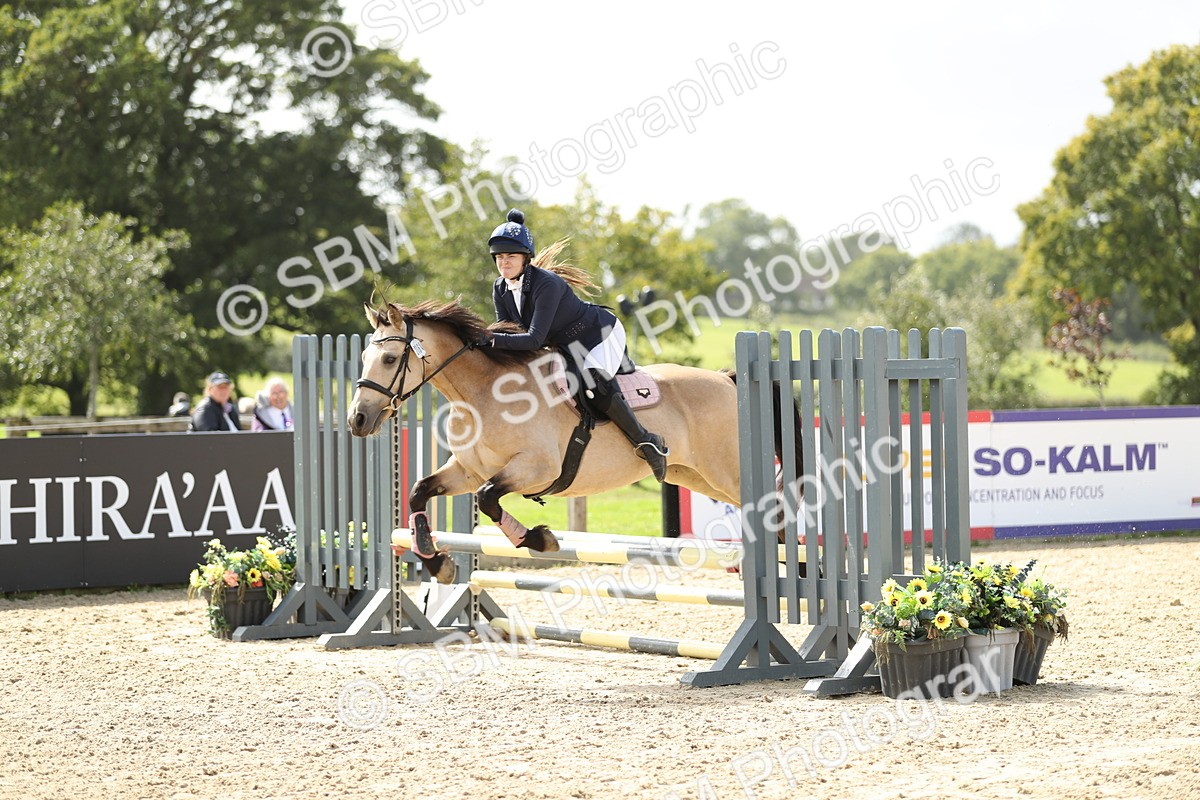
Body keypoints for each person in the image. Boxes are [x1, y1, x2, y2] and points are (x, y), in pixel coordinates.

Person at [478, 209, 669, 481]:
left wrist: (489, 338)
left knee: (594, 382)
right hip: (565, 345)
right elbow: (509, 334)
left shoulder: (547, 285)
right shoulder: (500, 287)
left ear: (525, 258)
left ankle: (647, 442)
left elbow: (532, 338)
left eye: (511, 256)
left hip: (599, 334)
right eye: (499, 257)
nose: (504, 263)